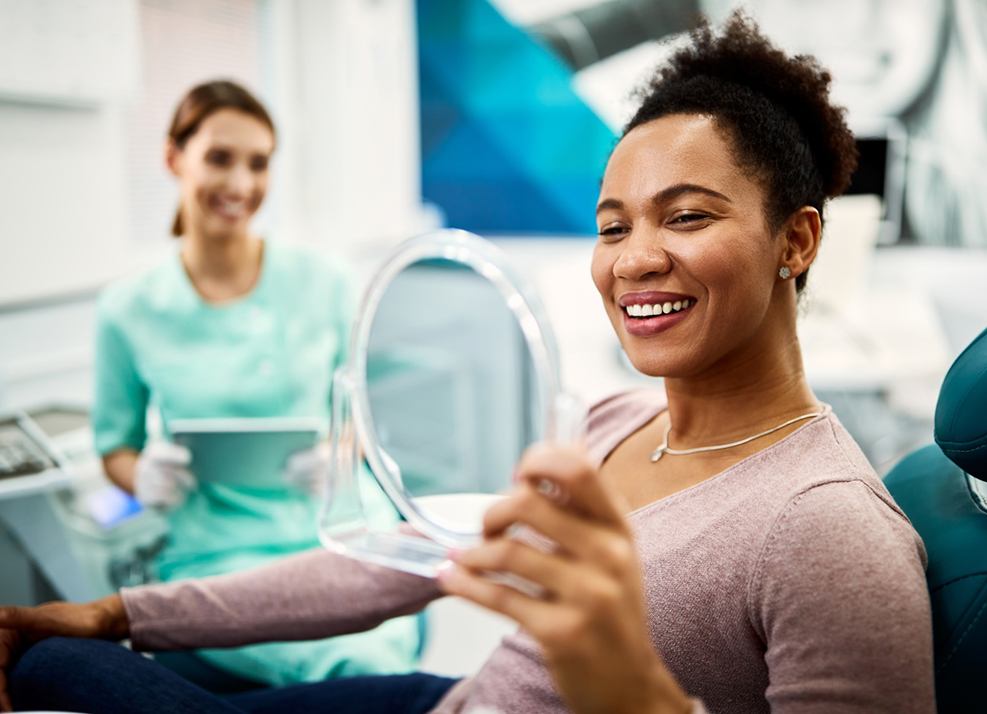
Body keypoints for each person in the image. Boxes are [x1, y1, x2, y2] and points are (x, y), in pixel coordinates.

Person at [0, 15, 934, 714]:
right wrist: (119, 612)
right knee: (68, 652)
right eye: (612, 227)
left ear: (797, 239)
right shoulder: (613, 424)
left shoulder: (828, 535)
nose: (635, 258)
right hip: (439, 699)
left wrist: (634, 696)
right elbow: (396, 571)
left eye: (687, 216)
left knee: (50, 674)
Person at [87, 80, 421, 688]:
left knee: (374, 661)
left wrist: (340, 458)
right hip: (214, 552)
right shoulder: (128, 309)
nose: (240, 185)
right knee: (338, 671)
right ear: (173, 158)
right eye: (219, 158)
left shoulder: (323, 282)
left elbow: (365, 418)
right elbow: (115, 447)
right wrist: (143, 477)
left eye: (258, 163)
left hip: (336, 532)